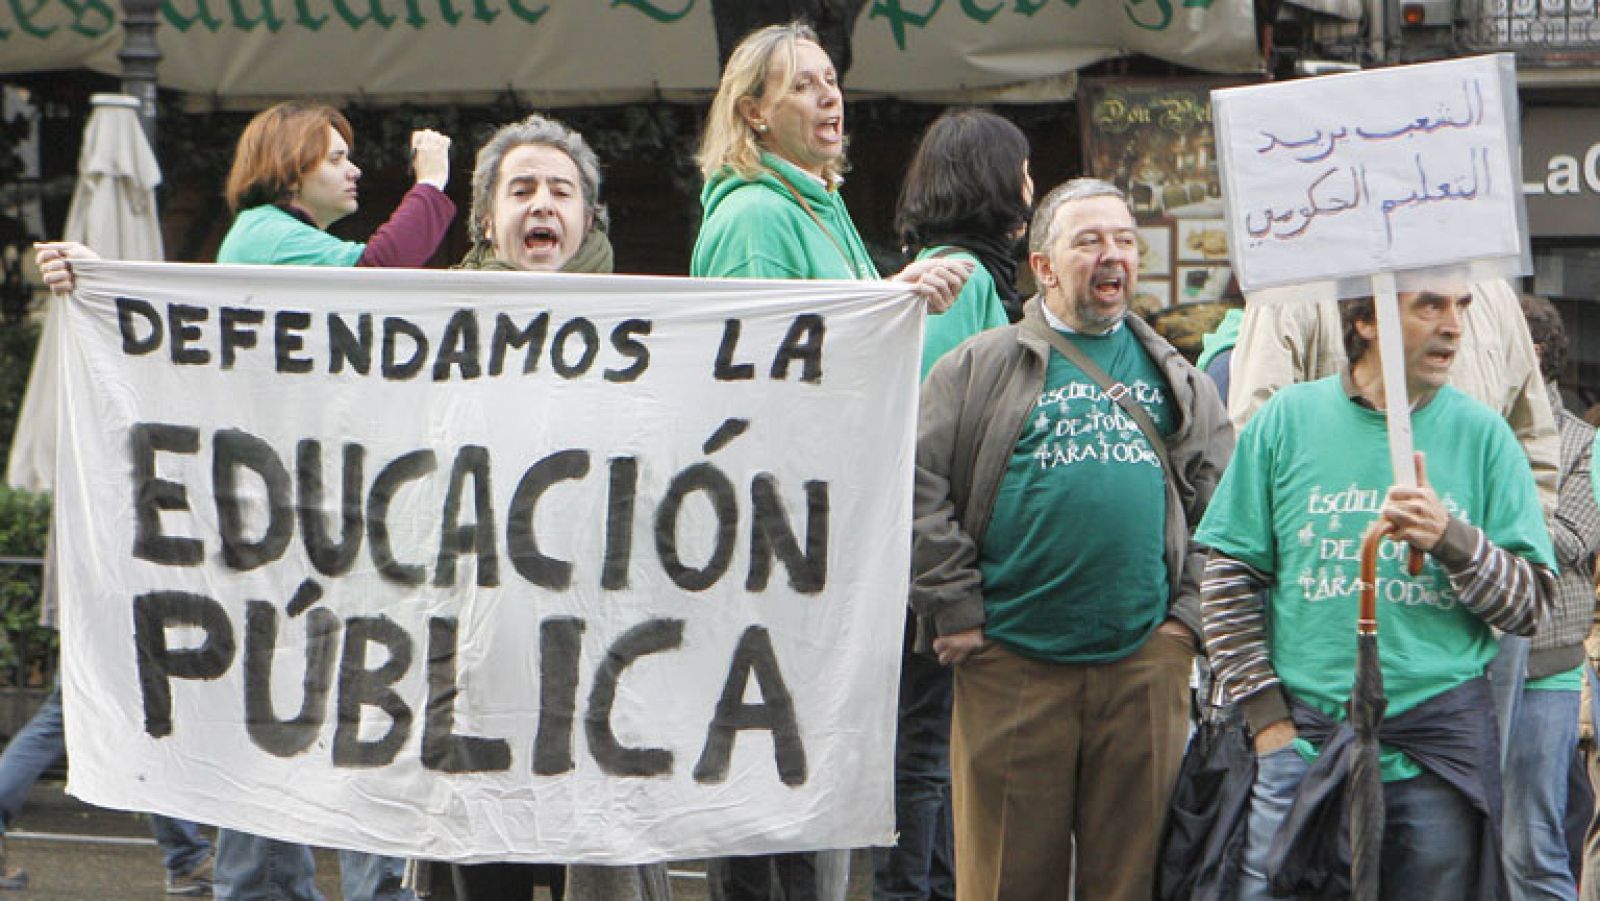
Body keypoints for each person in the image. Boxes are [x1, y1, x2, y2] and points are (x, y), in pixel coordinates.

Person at [41, 100, 455, 901]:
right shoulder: (269, 235)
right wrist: (432, 185)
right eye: (335, 156)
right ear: (290, 164)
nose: (354, 168)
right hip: (284, 533)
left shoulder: (287, 245)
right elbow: (379, 272)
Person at [688, 21, 970, 900]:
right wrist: (885, 299)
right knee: (769, 786)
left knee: (799, 779)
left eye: (830, 80)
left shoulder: (815, 202)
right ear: (754, 114)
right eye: (803, 85)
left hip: (825, 533)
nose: (830, 96)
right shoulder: (757, 215)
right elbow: (761, 371)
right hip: (778, 544)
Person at [911, 177, 1232, 901]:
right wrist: (954, 607)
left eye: (1123, 240)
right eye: (1088, 241)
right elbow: (917, 488)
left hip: (1144, 662)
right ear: (1044, 267)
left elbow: (1225, 509)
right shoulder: (976, 368)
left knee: (1131, 880)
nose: (1111, 254)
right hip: (1010, 663)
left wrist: (1187, 621)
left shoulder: (1175, 376)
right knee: (1004, 881)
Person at [1198, 287, 1557, 899]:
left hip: (1437, 760)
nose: (1454, 328)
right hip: (1304, 746)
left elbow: (1530, 605)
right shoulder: (1288, 420)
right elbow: (1228, 579)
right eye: (1430, 307)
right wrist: (1268, 722)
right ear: (1365, 320)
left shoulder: (1484, 435)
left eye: (1462, 308)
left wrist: (1452, 540)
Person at [446, 112, 670, 901]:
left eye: (560, 190)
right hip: (479, 670)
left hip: (600, 670)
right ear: (487, 220)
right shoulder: (429, 330)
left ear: (588, 217)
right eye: (522, 189)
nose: (542, 203)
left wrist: (886, 302)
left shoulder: (652, 334)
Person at [874, 107, 1031, 901]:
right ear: (998, 184)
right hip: (932, 565)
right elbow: (929, 438)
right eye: (1024, 172)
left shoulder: (970, 276)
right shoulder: (958, 281)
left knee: (932, 744)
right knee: (922, 747)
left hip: (940, 561)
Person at [1501, 293, 1599, 900]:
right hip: (1465, 664)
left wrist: (1486, 517)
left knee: (1529, 845)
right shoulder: (1468, 428)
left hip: (1547, 667)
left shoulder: (1582, 443)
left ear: (1534, 356)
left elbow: (1575, 538)